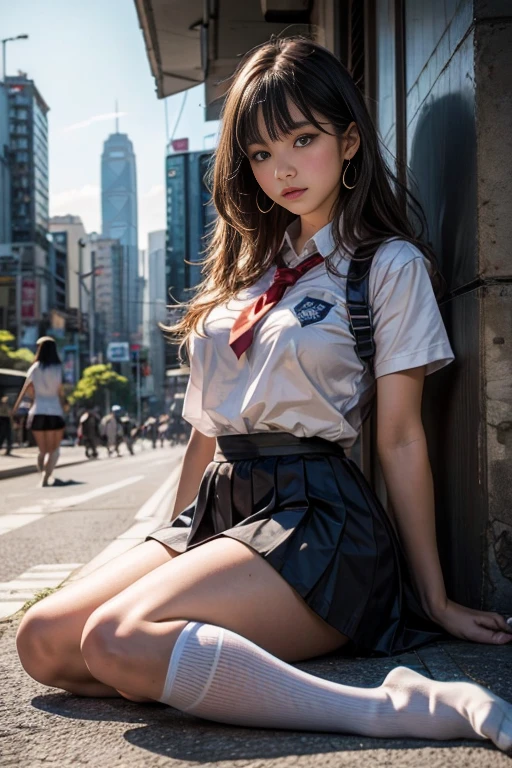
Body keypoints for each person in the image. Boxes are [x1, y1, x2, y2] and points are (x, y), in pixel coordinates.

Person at [16, 37, 512, 753]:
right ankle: (216, 669)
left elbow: (401, 438)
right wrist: (164, 539)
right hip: (221, 508)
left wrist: (432, 599)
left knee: (118, 639)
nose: (282, 168)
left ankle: (386, 705)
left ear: (347, 143)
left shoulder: (385, 265)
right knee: (44, 642)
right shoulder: (244, 274)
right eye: (259, 152)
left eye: (303, 140)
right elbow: (205, 433)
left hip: (318, 520)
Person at [12, 336, 67, 486]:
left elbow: (26, 390)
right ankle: (46, 477)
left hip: (37, 413)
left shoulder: (34, 368)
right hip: (55, 414)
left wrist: (15, 408)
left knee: (42, 450)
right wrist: (65, 406)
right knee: (54, 450)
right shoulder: (58, 369)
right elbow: (61, 393)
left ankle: (41, 474)